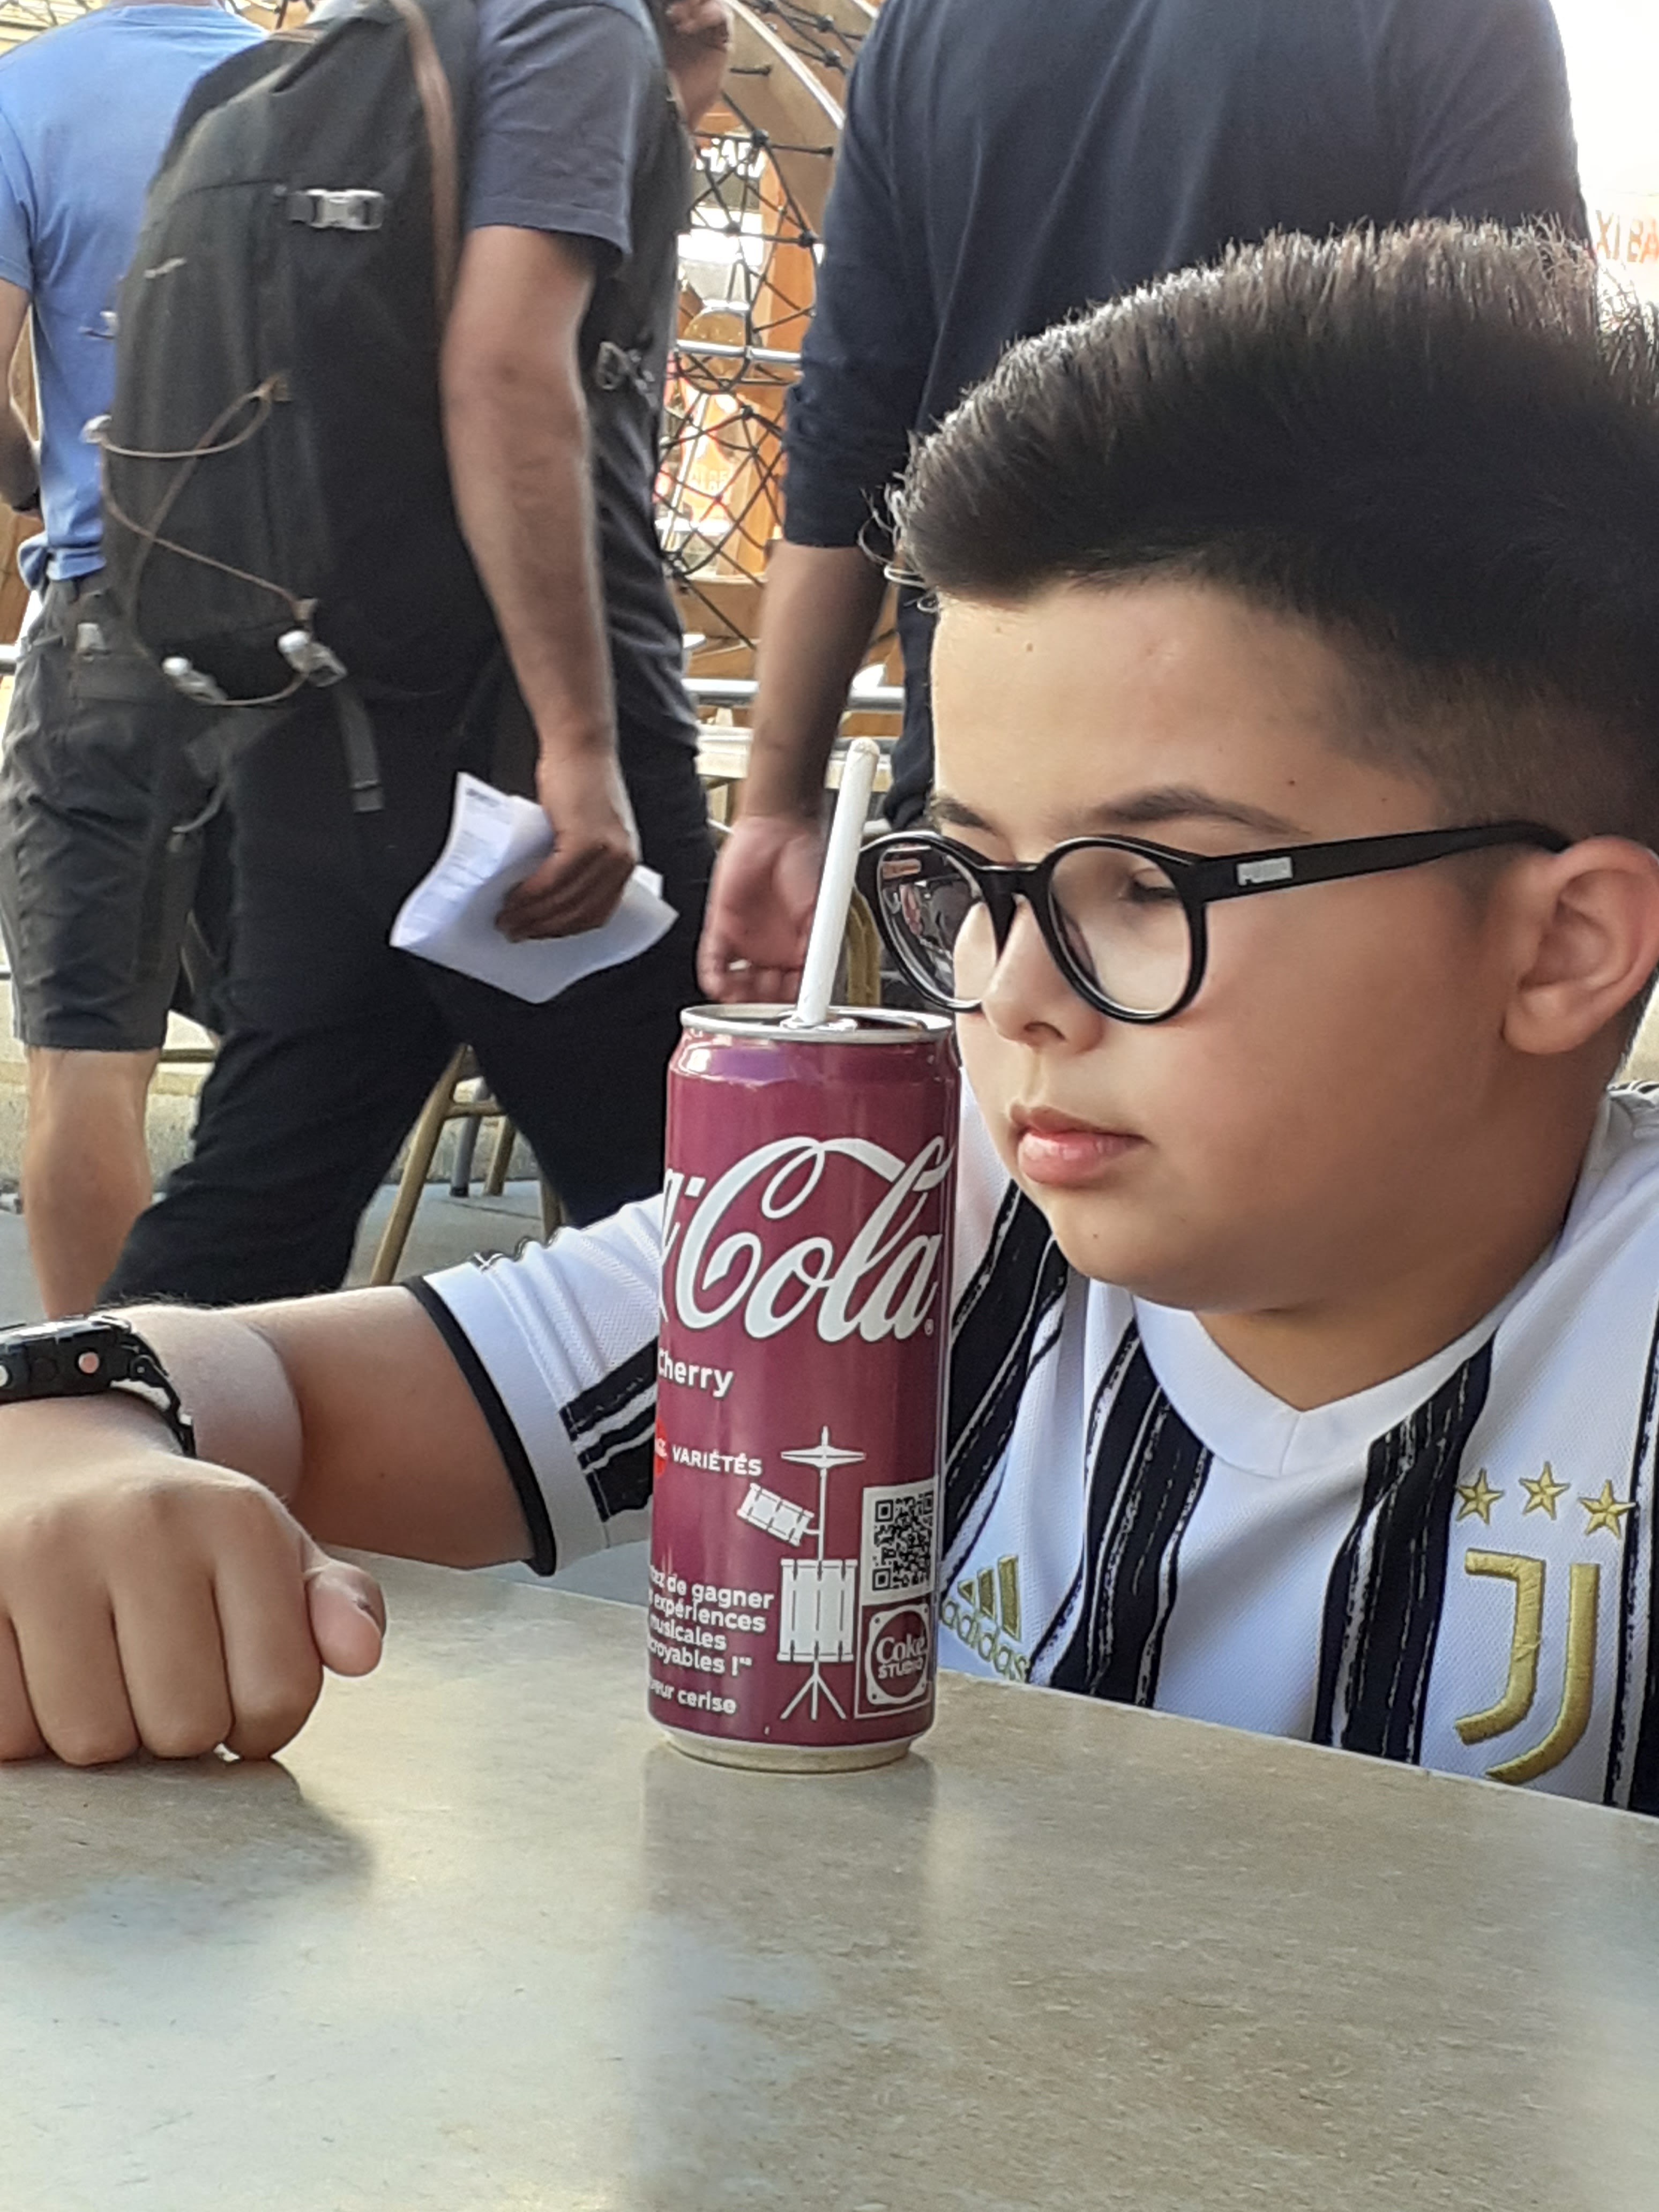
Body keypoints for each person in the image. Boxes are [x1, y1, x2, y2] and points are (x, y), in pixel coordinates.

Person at [5, 223, 1659, 1816]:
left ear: (1562, 948)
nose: (1015, 997)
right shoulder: (907, 1230)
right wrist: (84, 1438)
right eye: (977, 878)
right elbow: (296, 1397)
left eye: (1150, 886)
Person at [696, 0, 1591, 1005]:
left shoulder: (925, 25)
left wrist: (776, 805)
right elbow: (1518, 394)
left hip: (1000, 810)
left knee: (1024, 1088)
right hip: (1310, 826)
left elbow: (845, 443)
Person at [96, 0, 733, 1309]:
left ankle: (88, 1436)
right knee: (703, 1221)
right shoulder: (574, 27)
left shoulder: (388, 39)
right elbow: (506, 371)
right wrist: (583, 744)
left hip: (319, 718)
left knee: (253, 1206)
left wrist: (668, 92)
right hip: (518, 741)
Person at [0, 0, 264, 1319]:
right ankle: (253, 1383)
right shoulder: (307, 89)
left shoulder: (27, 99)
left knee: (87, 1060)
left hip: (114, 612)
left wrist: (36, 483)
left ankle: (101, 1407)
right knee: (294, 1061)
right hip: (300, 643)